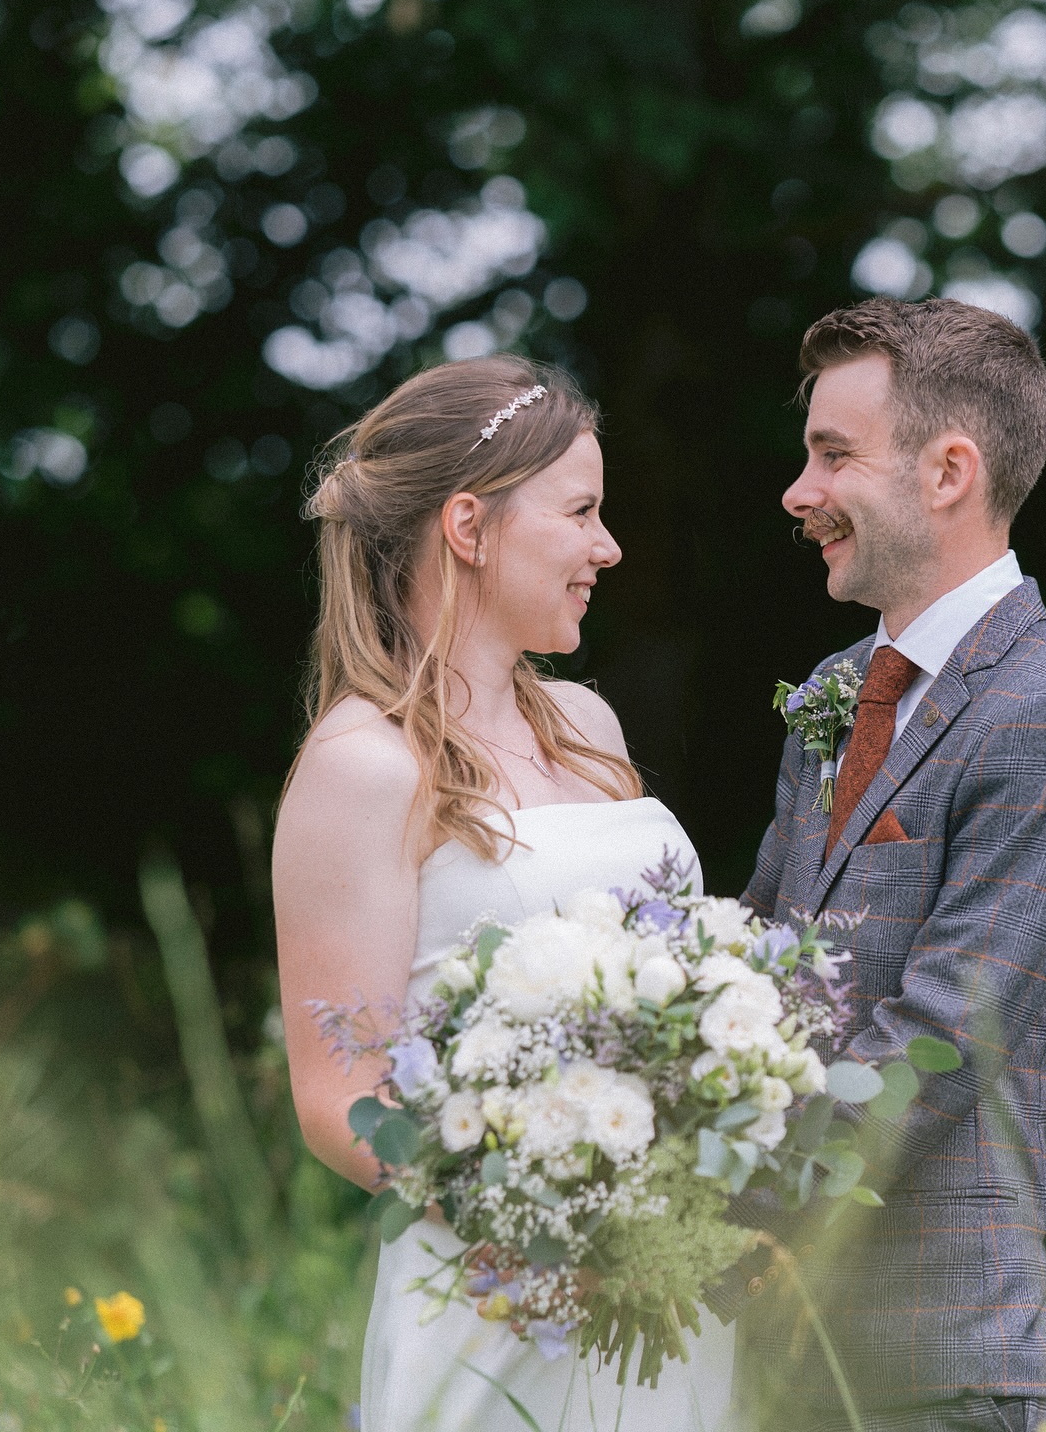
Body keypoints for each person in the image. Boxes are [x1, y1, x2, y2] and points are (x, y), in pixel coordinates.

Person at [271, 355, 736, 1432]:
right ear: (470, 527)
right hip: (506, 1299)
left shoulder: (587, 725)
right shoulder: (364, 766)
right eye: (580, 512)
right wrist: (556, 1227)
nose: (607, 548)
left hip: (669, 1286)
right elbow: (338, 1097)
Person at [730, 297, 1046, 1432]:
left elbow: (944, 1037)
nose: (798, 492)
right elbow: (756, 955)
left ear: (949, 471)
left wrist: (712, 1199)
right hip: (784, 1348)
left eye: (833, 456)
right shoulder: (833, 692)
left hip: (944, 1355)